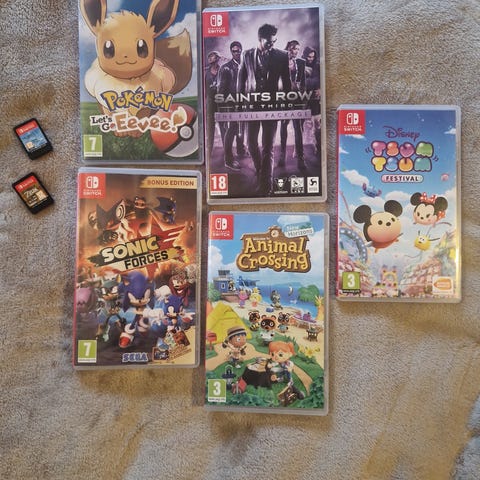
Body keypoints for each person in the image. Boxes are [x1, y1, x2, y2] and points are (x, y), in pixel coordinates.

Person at [237, 24, 292, 195]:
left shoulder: (282, 56)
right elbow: (241, 81)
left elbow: (287, 83)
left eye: (274, 41)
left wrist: (287, 108)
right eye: (269, 42)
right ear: (260, 39)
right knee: (251, 144)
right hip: (251, 107)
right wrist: (239, 105)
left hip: (272, 107)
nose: (272, 44)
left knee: (268, 148)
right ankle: (262, 171)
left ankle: (266, 186)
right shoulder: (246, 55)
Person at [217, 41, 247, 171]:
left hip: (243, 102)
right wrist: (224, 108)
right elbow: (221, 90)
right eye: (234, 51)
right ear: (231, 52)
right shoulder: (226, 68)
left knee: (242, 126)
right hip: (231, 103)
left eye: (238, 50)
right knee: (232, 129)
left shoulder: (245, 65)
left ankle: (241, 150)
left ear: (241, 50)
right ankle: (228, 160)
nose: (237, 53)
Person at [279, 40, 306, 170]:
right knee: (284, 126)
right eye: (293, 48)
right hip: (284, 98)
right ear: (288, 48)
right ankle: (282, 155)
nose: (295, 51)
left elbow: (303, 83)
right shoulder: (280, 61)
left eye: (297, 49)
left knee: (298, 128)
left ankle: (300, 157)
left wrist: (303, 98)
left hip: (297, 99)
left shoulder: (301, 62)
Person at [303, 46, 322, 158]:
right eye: (309, 56)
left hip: (315, 100)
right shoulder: (300, 65)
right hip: (304, 99)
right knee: (306, 126)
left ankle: (318, 148)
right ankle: (303, 150)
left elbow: (323, 80)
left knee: (317, 125)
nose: (310, 59)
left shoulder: (318, 66)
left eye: (312, 57)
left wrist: (320, 89)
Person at [204, 51, 221, 159]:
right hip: (210, 102)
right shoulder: (205, 72)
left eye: (212, 56)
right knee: (210, 129)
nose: (210, 58)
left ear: (217, 58)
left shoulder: (223, 70)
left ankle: (228, 154)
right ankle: (208, 153)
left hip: (222, 101)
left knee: (225, 128)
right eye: (209, 56)